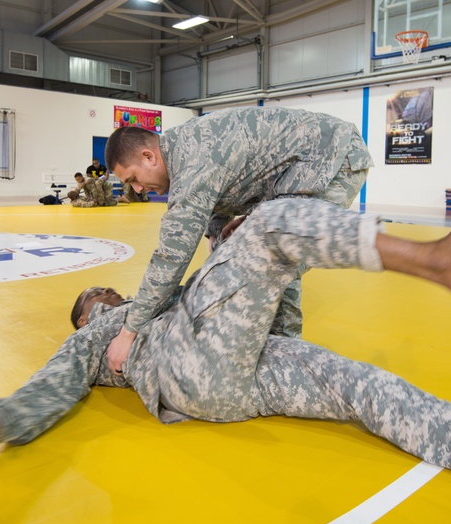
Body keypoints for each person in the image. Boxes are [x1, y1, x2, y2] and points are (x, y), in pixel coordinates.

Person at [0, 184, 451, 507]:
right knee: (271, 226)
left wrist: (239, 256)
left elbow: (276, 325)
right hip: (188, 368)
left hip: (239, 373)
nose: (105, 300)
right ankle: (434, 259)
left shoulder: (161, 300)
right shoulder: (101, 340)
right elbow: (54, 381)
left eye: (105, 296)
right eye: (96, 303)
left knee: (366, 386)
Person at [104, 106, 373, 374]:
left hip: (332, 159)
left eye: (134, 179)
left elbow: (171, 258)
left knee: (276, 255)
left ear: (148, 156)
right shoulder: (181, 149)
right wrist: (217, 229)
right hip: (297, 172)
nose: (137, 189)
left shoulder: (191, 161)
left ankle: (287, 356)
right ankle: (277, 343)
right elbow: (220, 184)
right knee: (254, 250)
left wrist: (129, 333)